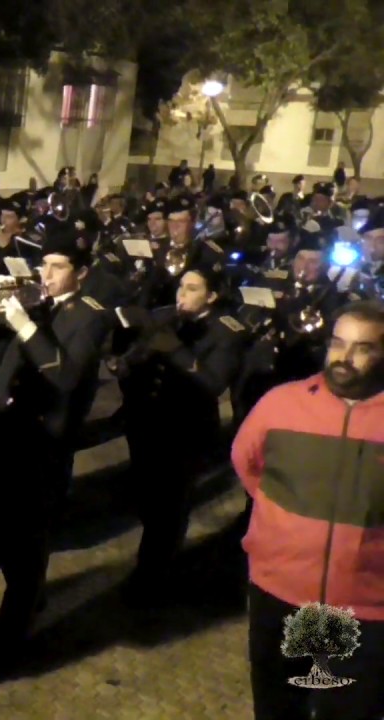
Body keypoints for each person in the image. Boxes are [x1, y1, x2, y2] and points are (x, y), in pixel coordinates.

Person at [0, 225, 110, 671]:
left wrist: (23, 323)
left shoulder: (89, 315)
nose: (47, 274)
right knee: (1, 528)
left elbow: (62, 376)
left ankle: (14, 631)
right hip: (4, 434)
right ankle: (27, 593)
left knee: (27, 538)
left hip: (42, 444)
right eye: (44, 265)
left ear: (80, 273)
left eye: (58, 267)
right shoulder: (35, 304)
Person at [232, 300, 384, 720]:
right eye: (338, 343)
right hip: (280, 595)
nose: (344, 357)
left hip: (362, 609)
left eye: (362, 348)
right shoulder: (281, 404)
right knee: (278, 708)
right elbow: (248, 464)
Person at [110, 266, 246, 604]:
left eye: (192, 288)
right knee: (145, 494)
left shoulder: (226, 331)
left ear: (211, 296)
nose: (181, 295)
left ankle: (152, 575)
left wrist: (175, 350)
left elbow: (214, 383)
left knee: (169, 506)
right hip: (147, 421)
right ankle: (154, 559)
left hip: (185, 428)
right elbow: (139, 358)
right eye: (180, 287)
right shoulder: (164, 316)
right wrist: (126, 364)